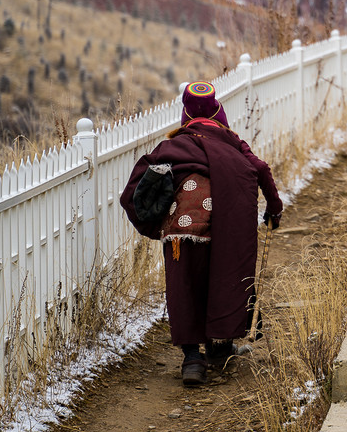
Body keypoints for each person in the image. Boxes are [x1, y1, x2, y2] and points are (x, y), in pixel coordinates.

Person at [120, 81, 283, 386]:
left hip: (180, 228)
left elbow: (138, 185)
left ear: (185, 113)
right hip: (224, 222)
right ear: (217, 110)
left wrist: (152, 222)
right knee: (223, 277)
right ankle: (219, 348)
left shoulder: (172, 145)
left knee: (185, 285)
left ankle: (193, 359)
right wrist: (274, 209)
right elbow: (261, 169)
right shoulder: (233, 142)